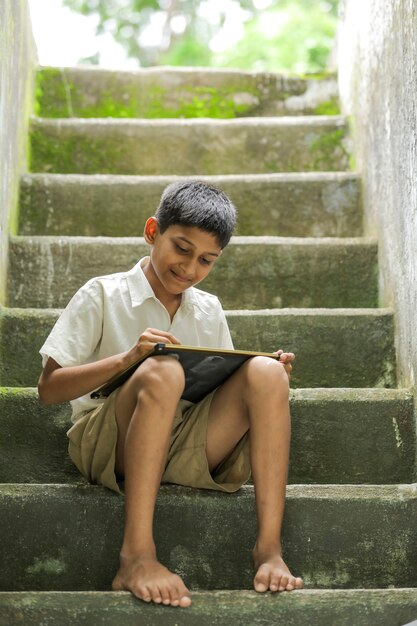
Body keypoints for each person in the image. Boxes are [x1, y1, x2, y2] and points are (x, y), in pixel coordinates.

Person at [38, 180, 303, 609]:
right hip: (110, 446)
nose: (190, 267)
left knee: (269, 373)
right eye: (181, 248)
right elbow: (48, 390)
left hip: (184, 444)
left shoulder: (208, 308)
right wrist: (128, 360)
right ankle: (136, 557)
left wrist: (256, 374)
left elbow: (217, 388)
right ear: (151, 232)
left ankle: (268, 551)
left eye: (206, 260)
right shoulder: (102, 294)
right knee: (161, 369)